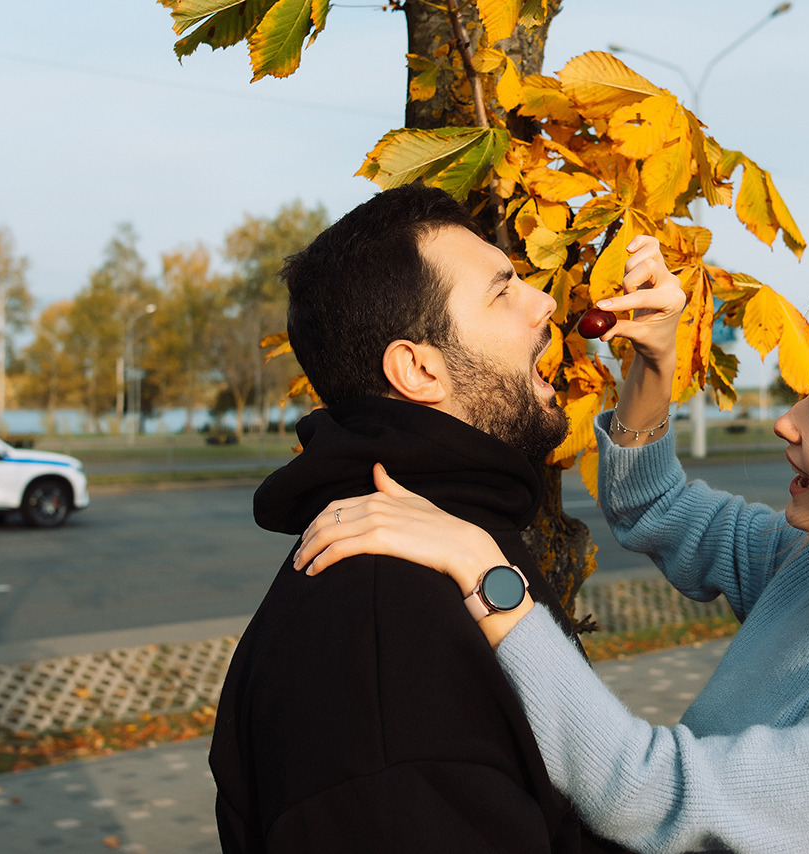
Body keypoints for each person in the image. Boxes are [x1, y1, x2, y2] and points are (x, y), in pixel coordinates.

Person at [294, 245, 809, 852]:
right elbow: (657, 505)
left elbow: (645, 789)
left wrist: (487, 573)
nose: (786, 421)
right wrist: (654, 361)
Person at [209, 183, 632, 853]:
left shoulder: (455, 545)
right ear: (418, 368)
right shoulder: (384, 632)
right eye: (502, 291)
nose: (546, 301)